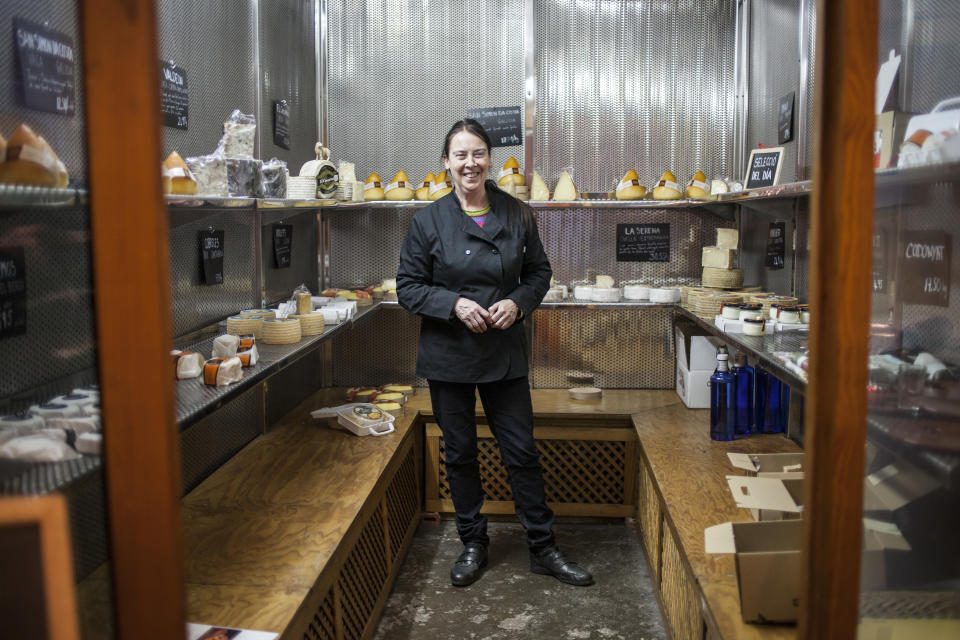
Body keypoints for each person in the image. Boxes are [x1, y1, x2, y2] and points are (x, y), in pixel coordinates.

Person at [397, 119, 593, 587]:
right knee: (460, 453)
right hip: (449, 353)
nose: (470, 163)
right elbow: (408, 287)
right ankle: (472, 543)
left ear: (490, 159)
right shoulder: (427, 221)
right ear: (446, 162)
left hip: (503, 352)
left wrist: (518, 303)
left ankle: (543, 547)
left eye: (478, 153)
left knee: (521, 451)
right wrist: (453, 303)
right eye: (460, 155)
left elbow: (539, 273)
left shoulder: (518, 213)